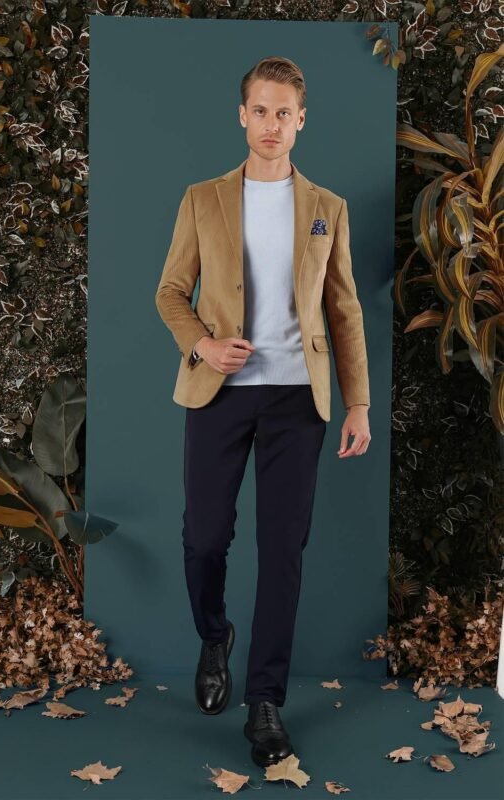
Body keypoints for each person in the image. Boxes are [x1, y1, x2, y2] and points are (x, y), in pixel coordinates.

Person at [155, 55, 371, 769]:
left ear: (300, 120)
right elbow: (170, 293)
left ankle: (264, 703)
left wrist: (358, 402)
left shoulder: (328, 208)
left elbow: (344, 311)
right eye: (260, 110)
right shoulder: (202, 199)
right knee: (203, 539)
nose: (271, 124)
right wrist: (203, 345)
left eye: (284, 112)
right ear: (241, 116)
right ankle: (214, 634)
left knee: (282, 551)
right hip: (218, 394)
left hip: (297, 401)